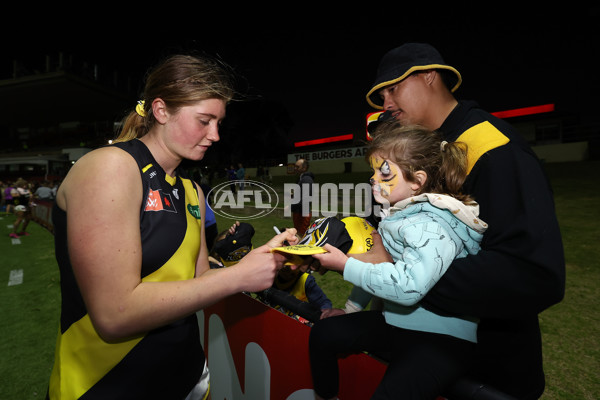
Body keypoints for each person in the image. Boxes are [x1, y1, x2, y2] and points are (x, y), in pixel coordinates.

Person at [47, 53, 297, 400]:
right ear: (161, 111)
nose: (215, 135)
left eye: (219, 123)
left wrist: (258, 261)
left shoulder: (191, 190)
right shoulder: (111, 167)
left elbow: (198, 281)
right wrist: (236, 277)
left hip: (186, 377)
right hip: (106, 384)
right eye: (204, 120)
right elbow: (114, 314)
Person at [343, 42, 564, 399]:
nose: (385, 103)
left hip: (486, 374)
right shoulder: (411, 148)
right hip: (411, 353)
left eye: (393, 88)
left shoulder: (495, 150)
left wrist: (404, 273)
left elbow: (537, 276)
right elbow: (383, 234)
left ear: (430, 76)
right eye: (381, 94)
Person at [309, 123, 488, 399]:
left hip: (441, 341)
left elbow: (407, 288)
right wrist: (351, 310)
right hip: (398, 324)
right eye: (373, 171)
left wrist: (346, 265)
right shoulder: (400, 215)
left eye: (383, 172)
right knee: (324, 333)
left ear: (417, 181)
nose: (373, 179)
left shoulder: (432, 224)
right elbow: (380, 267)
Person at [291, 158, 314, 237]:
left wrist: (293, 204)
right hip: (299, 211)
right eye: (295, 166)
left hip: (302, 212)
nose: (295, 168)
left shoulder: (307, 179)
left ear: (304, 168)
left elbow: (307, 197)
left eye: (297, 167)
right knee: (298, 234)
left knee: (301, 236)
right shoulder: (301, 178)